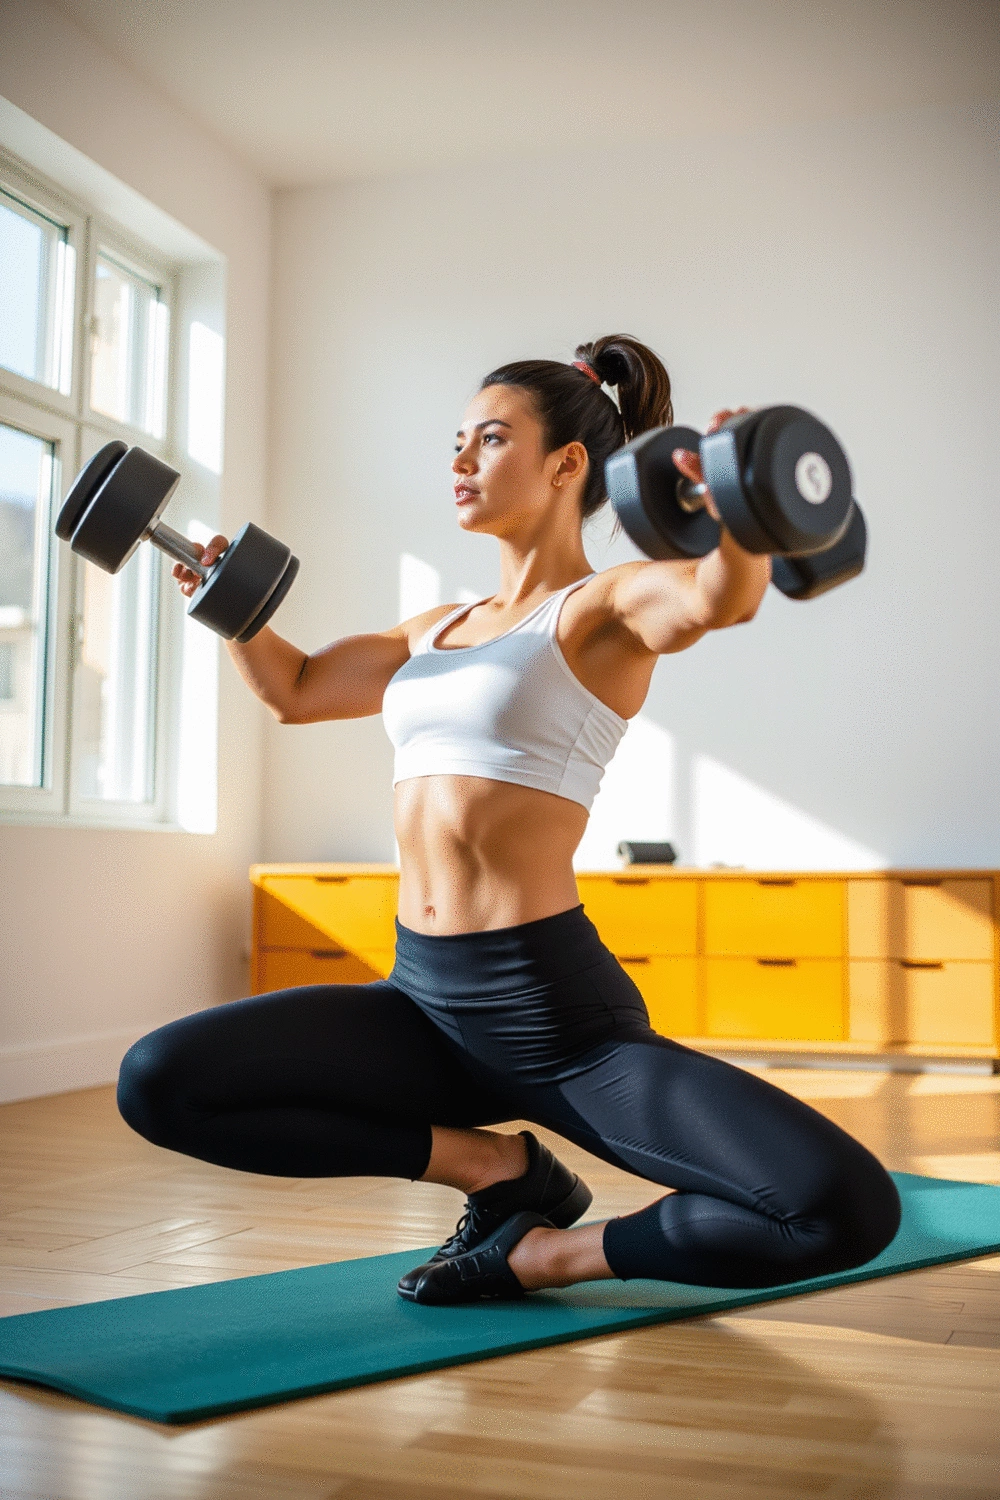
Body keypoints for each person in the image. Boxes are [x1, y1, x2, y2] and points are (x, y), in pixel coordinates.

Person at [117, 335, 900, 1304]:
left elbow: (715, 599)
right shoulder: (433, 629)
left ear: (567, 465)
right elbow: (298, 688)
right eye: (457, 441)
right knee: (162, 1081)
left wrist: (738, 508)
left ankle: (541, 1254)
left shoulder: (600, 609)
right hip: (421, 999)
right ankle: (495, 1172)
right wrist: (227, 606)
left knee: (841, 1208)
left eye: (488, 440)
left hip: (554, 1021)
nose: (458, 462)